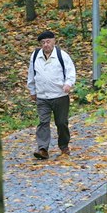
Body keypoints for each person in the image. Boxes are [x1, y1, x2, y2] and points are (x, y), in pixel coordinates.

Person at [27, 30, 76, 160]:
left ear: (54, 41)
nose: (46, 45)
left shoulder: (62, 55)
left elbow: (71, 72)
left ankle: (64, 146)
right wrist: (32, 90)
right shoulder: (35, 55)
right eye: (43, 42)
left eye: (48, 41)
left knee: (61, 123)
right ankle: (42, 149)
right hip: (42, 96)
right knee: (43, 122)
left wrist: (68, 84)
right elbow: (32, 73)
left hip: (60, 96)